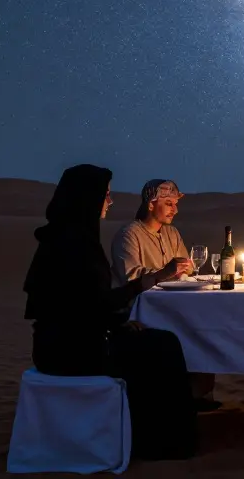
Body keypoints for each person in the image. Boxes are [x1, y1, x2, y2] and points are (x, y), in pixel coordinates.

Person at [23, 164, 198, 461]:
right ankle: (159, 443)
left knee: (161, 342)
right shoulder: (73, 246)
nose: (110, 201)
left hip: (71, 339)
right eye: (105, 195)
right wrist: (131, 304)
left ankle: (159, 436)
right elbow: (86, 307)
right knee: (162, 348)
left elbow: (87, 304)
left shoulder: (69, 239)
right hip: (69, 348)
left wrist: (118, 323)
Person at [110, 178, 221, 412]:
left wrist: (181, 270)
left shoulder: (172, 234)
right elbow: (131, 278)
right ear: (151, 204)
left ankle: (199, 392)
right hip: (140, 311)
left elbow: (186, 269)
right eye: (168, 203)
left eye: (175, 204)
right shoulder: (129, 235)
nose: (175, 209)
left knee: (205, 327)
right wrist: (166, 272)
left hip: (175, 306)